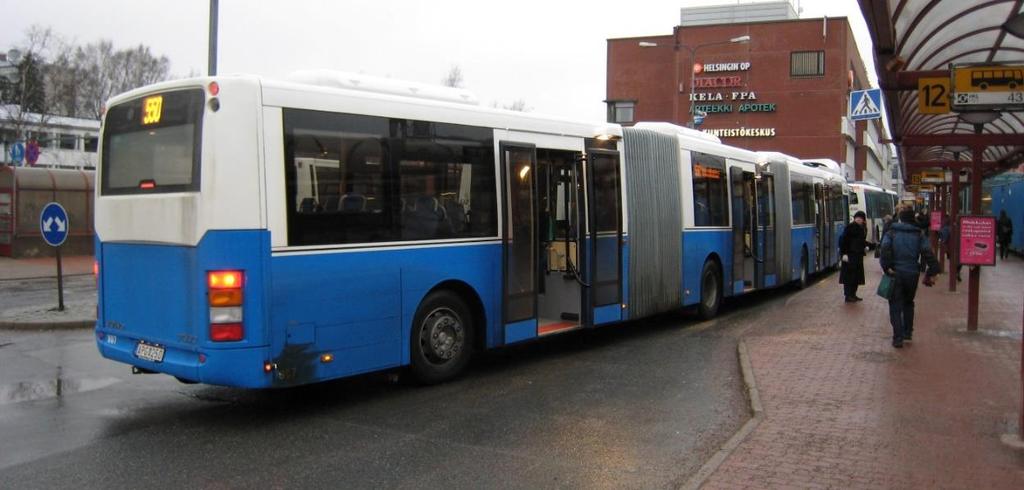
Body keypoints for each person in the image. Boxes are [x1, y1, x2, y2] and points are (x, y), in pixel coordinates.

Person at [880, 209, 939, 348]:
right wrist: (933, 269)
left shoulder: (891, 233)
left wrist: (887, 266)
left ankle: (897, 337)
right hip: (912, 273)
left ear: (900, 219)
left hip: (895, 272)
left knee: (895, 305)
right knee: (908, 302)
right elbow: (927, 252)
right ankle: (908, 333)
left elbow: (884, 248)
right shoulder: (919, 234)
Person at [839, 210, 868, 303]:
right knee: (849, 276)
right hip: (850, 255)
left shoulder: (862, 228)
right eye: (857, 218)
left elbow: (862, 241)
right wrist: (844, 254)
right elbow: (843, 240)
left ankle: (853, 294)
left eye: (861, 219)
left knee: (856, 276)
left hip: (858, 255)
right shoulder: (850, 227)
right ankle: (848, 295)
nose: (859, 220)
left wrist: (866, 246)